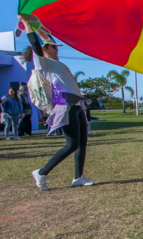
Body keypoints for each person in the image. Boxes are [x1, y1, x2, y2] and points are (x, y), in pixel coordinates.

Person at [19, 14, 94, 191]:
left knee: (82, 142)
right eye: (53, 47)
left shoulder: (58, 64)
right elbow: (35, 45)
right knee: (72, 144)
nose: (57, 50)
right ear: (45, 50)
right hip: (65, 105)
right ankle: (42, 172)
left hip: (76, 105)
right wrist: (27, 25)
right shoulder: (44, 64)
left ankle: (78, 177)